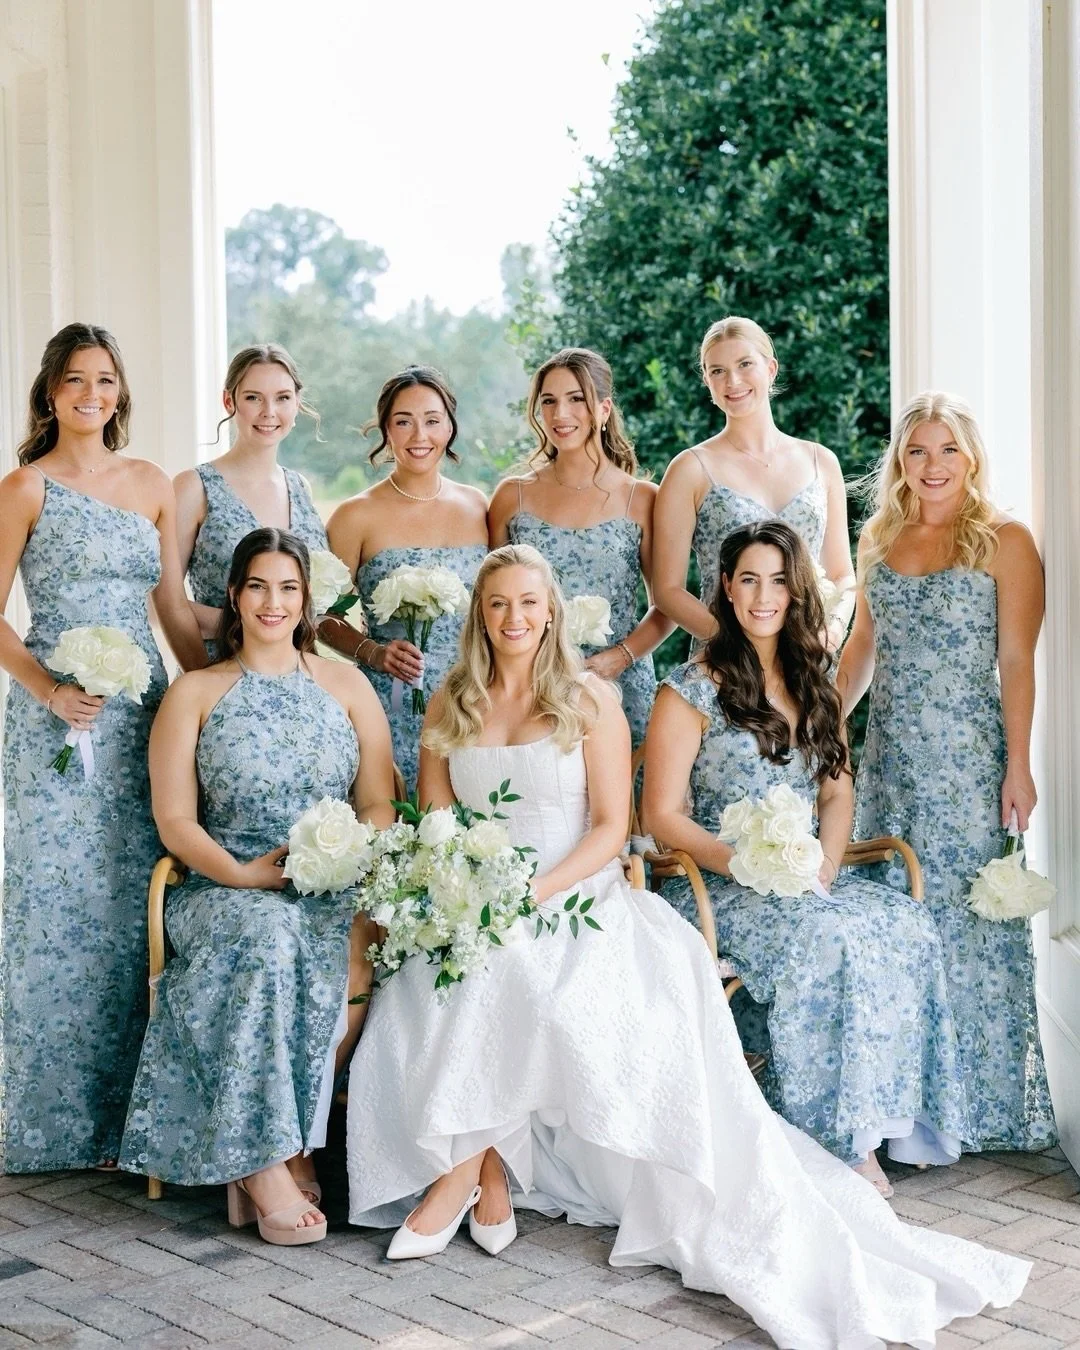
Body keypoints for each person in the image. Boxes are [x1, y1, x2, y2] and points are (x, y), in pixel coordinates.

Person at [345, 543, 1027, 1348]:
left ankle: (467, 1166)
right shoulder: (447, 704)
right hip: (479, 893)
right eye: (498, 604)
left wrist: (532, 891)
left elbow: (611, 828)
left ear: (551, 610)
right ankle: (486, 1159)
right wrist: (463, 893)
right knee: (449, 973)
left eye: (529, 602)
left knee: (523, 965)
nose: (514, 619)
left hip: (574, 889)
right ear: (478, 615)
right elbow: (439, 822)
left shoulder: (589, 699)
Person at [642, 520, 969, 1192]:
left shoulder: (813, 677)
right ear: (727, 589)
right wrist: (742, 863)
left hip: (803, 879)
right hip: (717, 883)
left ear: (796, 592)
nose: (765, 595)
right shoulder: (689, 689)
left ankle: (895, 1120)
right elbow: (661, 815)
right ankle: (838, 1142)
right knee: (831, 940)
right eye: (750, 580)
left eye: (780, 581)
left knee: (905, 923)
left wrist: (820, 865)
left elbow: (836, 792)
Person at [119, 528, 395, 1244]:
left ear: (307, 600)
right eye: (258, 586)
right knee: (270, 939)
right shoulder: (196, 693)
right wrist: (240, 873)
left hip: (330, 884)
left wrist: (344, 858)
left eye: (289, 588)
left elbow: (377, 801)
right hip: (223, 883)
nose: (273, 603)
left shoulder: (346, 684)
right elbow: (175, 820)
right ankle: (266, 1161)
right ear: (235, 597)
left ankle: (298, 1140)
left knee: (364, 947)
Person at [0, 322, 205, 1173]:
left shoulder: (154, 483)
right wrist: (48, 688)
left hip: (140, 719)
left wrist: (222, 695)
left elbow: (173, 612)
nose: (93, 394)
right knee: (57, 906)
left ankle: (133, 1121)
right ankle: (52, 1124)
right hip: (57, 724)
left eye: (107, 380)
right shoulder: (24, 488)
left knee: (136, 907)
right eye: (76, 380)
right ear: (51, 392)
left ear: (122, 393)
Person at [837, 392, 1057, 1152]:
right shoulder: (880, 537)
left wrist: (1018, 766)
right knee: (896, 923)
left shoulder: (1006, 540)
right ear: (901, 460)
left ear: (971, 457)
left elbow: (1018, 662)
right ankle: (901, 1115)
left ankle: (972, 1113)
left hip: (968, 762)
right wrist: (823, 725)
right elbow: (862, 649)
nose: (932, 466)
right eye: (918, 451)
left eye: (947, 451)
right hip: (890, 764)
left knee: (963, 925)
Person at [488, 348, 672, 744]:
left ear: (603, 409)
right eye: (549, 402)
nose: (560, 415)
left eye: (576, 399)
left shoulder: (643, 499)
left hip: (622, 684)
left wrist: (617, 659)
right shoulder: (511, 497)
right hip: (533, 687)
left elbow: (667, 606)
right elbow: (489, 603)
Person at [320, 367, 488, 790]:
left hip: (472, 702)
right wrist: (374, 653)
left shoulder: (477, 507)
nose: (419, 435)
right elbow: (321, 617)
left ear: (449, 427)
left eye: (432, 420)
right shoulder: (354, 515)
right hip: (389, 705)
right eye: (403, 421)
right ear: (385, 430)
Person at [653, 316, 854, 645]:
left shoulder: (821, 462)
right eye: (717, 371)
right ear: (706, 380)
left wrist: (832, 629)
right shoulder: (690, 469)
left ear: (771, 368)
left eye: (745, 364)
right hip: (727, 661)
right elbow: (667, 589)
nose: (732, 380)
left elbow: (843, 576)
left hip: (808, 659)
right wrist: (739, 646)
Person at [175, 344, 328, 657]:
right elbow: (160, 600)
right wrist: (249, 622)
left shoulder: (300, 488)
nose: (268, 412)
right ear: (229, 400)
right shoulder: (195, 487)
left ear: (297, 403)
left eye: (282, 398)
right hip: (219, 669)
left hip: (298, 677)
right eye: (253, 397)